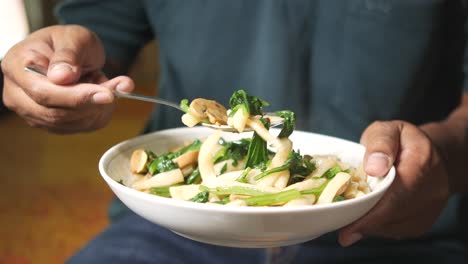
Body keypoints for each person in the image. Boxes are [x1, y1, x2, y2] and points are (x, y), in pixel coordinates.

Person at [2, 1, 468, 263]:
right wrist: (58, 71)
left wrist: (443, 154)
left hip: (398, 231)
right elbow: (104, 28)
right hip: (172, 226)